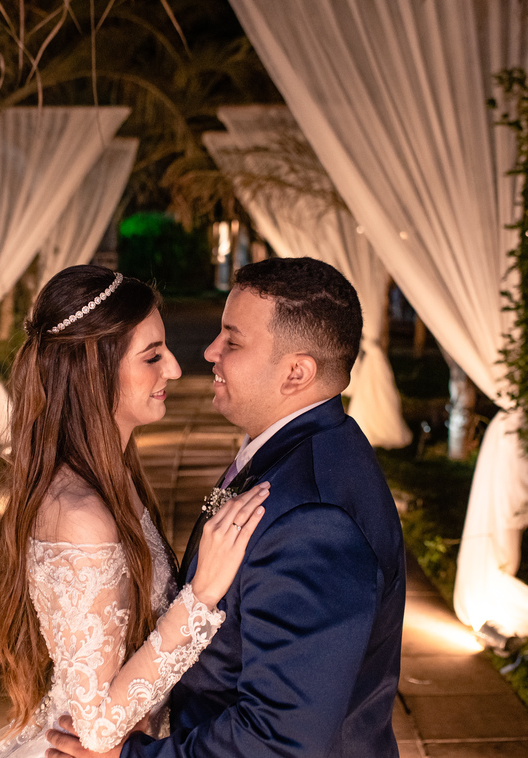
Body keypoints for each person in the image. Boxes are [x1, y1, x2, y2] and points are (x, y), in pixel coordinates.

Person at [46, 257, 407, 758]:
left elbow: (278, 741)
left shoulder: (313, 519)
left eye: (232, 342)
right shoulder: (297, 454)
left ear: (296, 372)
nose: (208, 352)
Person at [0, 265, 270, 758]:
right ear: (95, 372)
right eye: (152, 356)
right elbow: (94, 726)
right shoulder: (80, 516)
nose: (174, 369)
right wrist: (200, 596)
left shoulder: (115, 474)